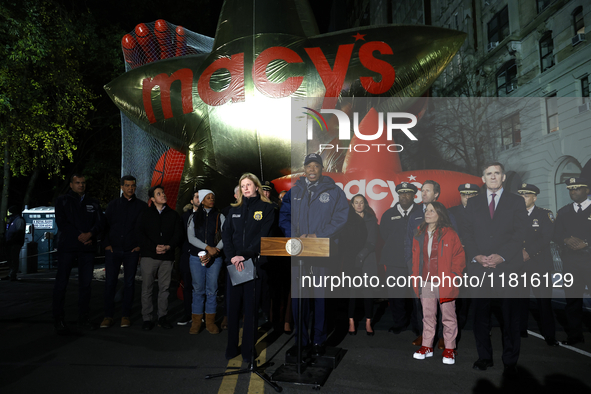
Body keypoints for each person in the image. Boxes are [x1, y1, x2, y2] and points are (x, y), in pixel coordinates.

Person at [279, 153, 349, 356]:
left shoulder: (334, 192)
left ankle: (319, 341)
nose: (311, 170)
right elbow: (284, 216)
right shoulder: (295, 192)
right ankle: (301, 341)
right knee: (299, 299)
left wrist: (317, 235)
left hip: (321, 252)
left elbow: (341, 218)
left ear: (321, 169)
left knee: (321, 298)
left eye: (315, 166)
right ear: (304, 169)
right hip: (298, 252)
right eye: (308, 166)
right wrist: (294, 237)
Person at [463, 162, 527, 378]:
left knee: (510, 317)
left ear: (503, 178)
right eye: (488, 174)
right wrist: (477, 256)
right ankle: (484, 357)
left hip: (507, 268)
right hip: (479, 270)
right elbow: (467, 234)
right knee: (480, 315)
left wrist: (502, 256)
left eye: (496, 173)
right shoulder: (472, 203)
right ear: (482, 178)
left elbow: (520, 233)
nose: (492, 177)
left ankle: (510, 361)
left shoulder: (516, 202)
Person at [222, 173, 274, 361]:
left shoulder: (266, 208)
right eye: (242, 185)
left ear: (257, 187)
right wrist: (232, 258)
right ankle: (231, 348)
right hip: (234, 264)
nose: (245, 188)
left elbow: (263, 236)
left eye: (248, 184)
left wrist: (244, 255)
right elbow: (226, 234)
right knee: (233, 308)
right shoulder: (233, 210)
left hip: (253, 264)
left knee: (251, 310)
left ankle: (248, 351)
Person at [411, 202, 465, 365]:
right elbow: (415, 258)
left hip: (445, 282)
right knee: (428, 316)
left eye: (432, 211)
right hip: (425, 281)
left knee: (448, 317)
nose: (427, 213)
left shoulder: (450, 233)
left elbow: (459, 256)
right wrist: (415, 277)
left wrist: (454, 275)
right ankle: (427, 346)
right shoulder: (419, 233)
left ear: (439, 214)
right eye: (426, 210)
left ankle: (449, 348)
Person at [405, 180, 457, 347]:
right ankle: (424, 336)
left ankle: (443, 338)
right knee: (423, 307)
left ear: (436, 194)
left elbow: (455, 246)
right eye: (422, 190)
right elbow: (408, 243)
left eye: (428, 191)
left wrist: (453, 273)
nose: (424, 193)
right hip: (421, 272)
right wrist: (411, 266)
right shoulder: (414, 216)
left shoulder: (447, 217)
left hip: (442, 274)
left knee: (444, 308)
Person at [53, 174, 104, 334]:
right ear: (71, 184)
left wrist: (90, 235)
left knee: (86, 285)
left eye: (83, 183)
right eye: (77, 183)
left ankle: (84, 318)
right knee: (61, 284)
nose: (81, 185)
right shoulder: (62, 201)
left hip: (87, 249)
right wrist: (80, 236)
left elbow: (100, 223)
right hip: (67, 248)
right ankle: (58, 320)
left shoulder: (93, 202)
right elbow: (61, 223)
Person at [100, 175, 147, 329]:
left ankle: (125, 315)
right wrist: (106, 244)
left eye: (133, 185)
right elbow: (104, 227)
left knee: (129, 283)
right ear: (121, 187)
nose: (130, 188)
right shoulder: (113, 205)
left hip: (131, 250)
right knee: (110, 283)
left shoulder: (141, 206)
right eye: (127, 185)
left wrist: (140, 246)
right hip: (113, 250)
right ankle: (108, 316)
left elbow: (145, 228)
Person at [517, 183, 558, 346]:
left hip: (540, 264)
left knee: (544, 301)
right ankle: (521, 329)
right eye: (521, 195)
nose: (523, 198)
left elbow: (546, 237)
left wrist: (528, 252)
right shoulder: (514, 216)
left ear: (534, 198)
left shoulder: (544, 215)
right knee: (520, 299)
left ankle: (549, 335)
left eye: (526, 195)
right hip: (520, 265)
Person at [138, 185, 183, 331]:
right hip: (149, 256)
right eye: (159, 193)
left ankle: (162, 317)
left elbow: (178, 234)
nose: (163, 195)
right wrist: (153, 247)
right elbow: (140, 234)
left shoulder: (173, 215)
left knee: (164, 288)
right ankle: (147, 318)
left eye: (163, 192)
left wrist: (169, 246)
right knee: (147, 288)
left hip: (167, 257)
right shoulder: (145, 214)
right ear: (152, 199)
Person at [553, 177, 591, 346]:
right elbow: (555, 234)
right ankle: (575, 336)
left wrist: (587, 242)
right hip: (571, 261)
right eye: (571, 189)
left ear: (587, 190)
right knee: (572, 301)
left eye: (577, 188)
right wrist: (566, 239)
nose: (573, 191)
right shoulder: (563, 212)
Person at [380, 182, 420, 335]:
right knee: (396, 295)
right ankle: (400, 323)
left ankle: (418, 325)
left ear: (413, 195)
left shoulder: (421, 212)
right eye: (401, 193)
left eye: (408, 193)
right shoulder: (388, 214)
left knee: (417, 295)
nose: (404, 196)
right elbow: (384, 234)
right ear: (398, 195)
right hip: (393, 261)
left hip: (416, 262)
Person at [187, 189, 224, 334]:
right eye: (208, 198)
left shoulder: (220, 217)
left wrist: (215, 251)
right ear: (202, 201)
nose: (211, 199)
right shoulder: (193, 217)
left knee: (212, 290)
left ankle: (210, 322)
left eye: (212, 197)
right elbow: (191, 238)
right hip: (197, 258)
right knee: (198, 289)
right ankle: (196, 322)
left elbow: (225, 237)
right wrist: (208, 248)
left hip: (215, 258)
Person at [447, 183, 480, 332]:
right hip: (457, 261)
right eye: (465, 194)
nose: (468, 197)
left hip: (478, 260)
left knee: (479, 295)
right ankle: (458, 325)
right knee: (459, 293)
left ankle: (480, 325)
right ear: (460, 196)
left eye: (471, 194)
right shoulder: (450, 213)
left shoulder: (485, 213)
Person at [347, 194, 377, 336]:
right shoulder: (347, 220)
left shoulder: (371, 219)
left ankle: (368, 322)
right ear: (352, 205)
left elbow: (372, 241)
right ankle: (351, 321)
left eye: (361, 202)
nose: (359, 205)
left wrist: (361, 255)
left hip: (368, 259)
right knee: (352, 291)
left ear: (365, 204)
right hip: (352, 260)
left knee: (368, 291)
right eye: (356, 202)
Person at [178, 191, 200, 326]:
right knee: (187, 286)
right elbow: (180, 236)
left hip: (203, 256)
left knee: (200, 287)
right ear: (191, 201)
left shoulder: (208, 216)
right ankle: (188, 314)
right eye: (196, 197)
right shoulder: (184, 217)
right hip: (187, 255)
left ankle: (200, 314)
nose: (199, 199)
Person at [5, 205, 25, 281]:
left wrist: (12, 240)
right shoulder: (13, 220)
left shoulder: (19, 220)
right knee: (10, 259)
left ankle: (13, 274)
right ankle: (10, 273)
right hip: (10, 242)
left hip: (15, 243)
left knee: (14, 259)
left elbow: (20, 232)